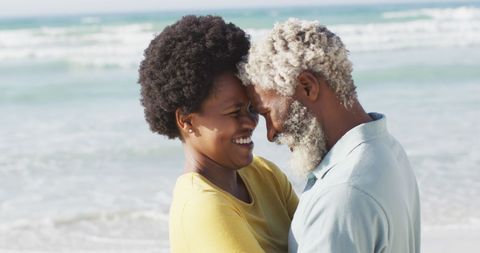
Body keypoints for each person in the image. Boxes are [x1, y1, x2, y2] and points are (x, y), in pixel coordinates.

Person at [238, 18, 421, 253]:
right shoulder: (390, 150)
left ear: (307, 86)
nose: (271, 133)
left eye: (267, 112)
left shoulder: (341, 194)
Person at [138, 15, 298, 253]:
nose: (251, 122)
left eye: (251, 108)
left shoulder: (265, 174)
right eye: (234, 112)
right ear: (187, 121)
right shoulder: (203, 205)